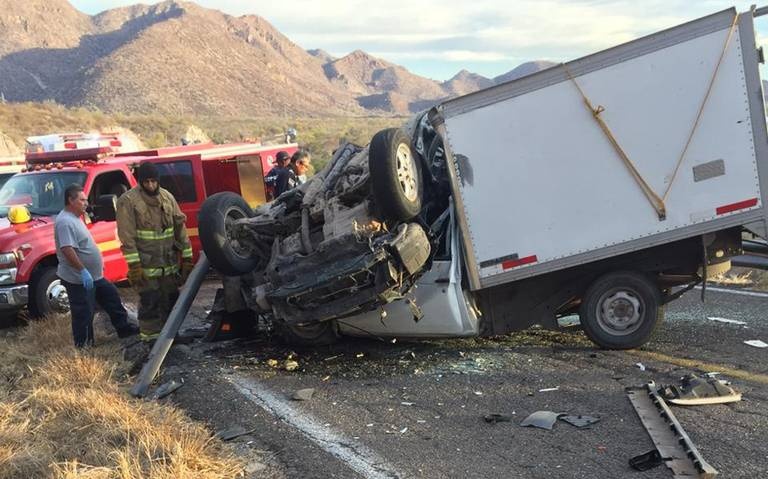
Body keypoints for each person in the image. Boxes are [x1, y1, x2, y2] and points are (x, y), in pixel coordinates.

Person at [116, 162, 193, 342]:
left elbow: (180, 228)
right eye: (147, 182)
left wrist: (187, 258)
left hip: (169, 265)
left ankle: (172, 337)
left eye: (153, 181)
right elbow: (127, 237)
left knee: (171, 301)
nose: (150, 185)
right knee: (150, 304)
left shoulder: (168, 198)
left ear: (158, 181)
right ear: (140, 182)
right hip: (146, 266)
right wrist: (134, 266)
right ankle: (151, 341)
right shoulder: (128, 201)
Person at [54, 184, 138, 347]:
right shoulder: (65, 222)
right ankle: (84, 344)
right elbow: (67, 249)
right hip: (79, 278)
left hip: (95, 276)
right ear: (71, 200)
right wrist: (83, 270)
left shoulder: (75, 219)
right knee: (83, 312)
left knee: (111, 297)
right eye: (82, 200)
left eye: (86, 200)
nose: (86, 203)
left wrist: (96, 267)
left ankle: (124, 329)